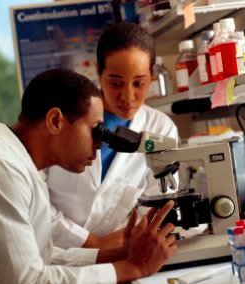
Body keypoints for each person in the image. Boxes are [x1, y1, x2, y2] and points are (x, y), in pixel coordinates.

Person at [0, 68, 177, 284]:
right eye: (96, 130)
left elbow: (43, 258)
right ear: (55, 121)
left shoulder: (18, 166)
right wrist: (133, 267)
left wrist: (119, 253)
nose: (100, 144)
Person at [47, 22, 179, 249]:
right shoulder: (63, 120)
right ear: (99, 71)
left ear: (152, 75)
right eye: (116, 83)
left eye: (139, 83)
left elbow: (158, 205)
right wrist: (93, 243)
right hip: (53, 252)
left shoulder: (160, 129)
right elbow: (35, 198)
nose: (127, 96)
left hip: (116, 255)